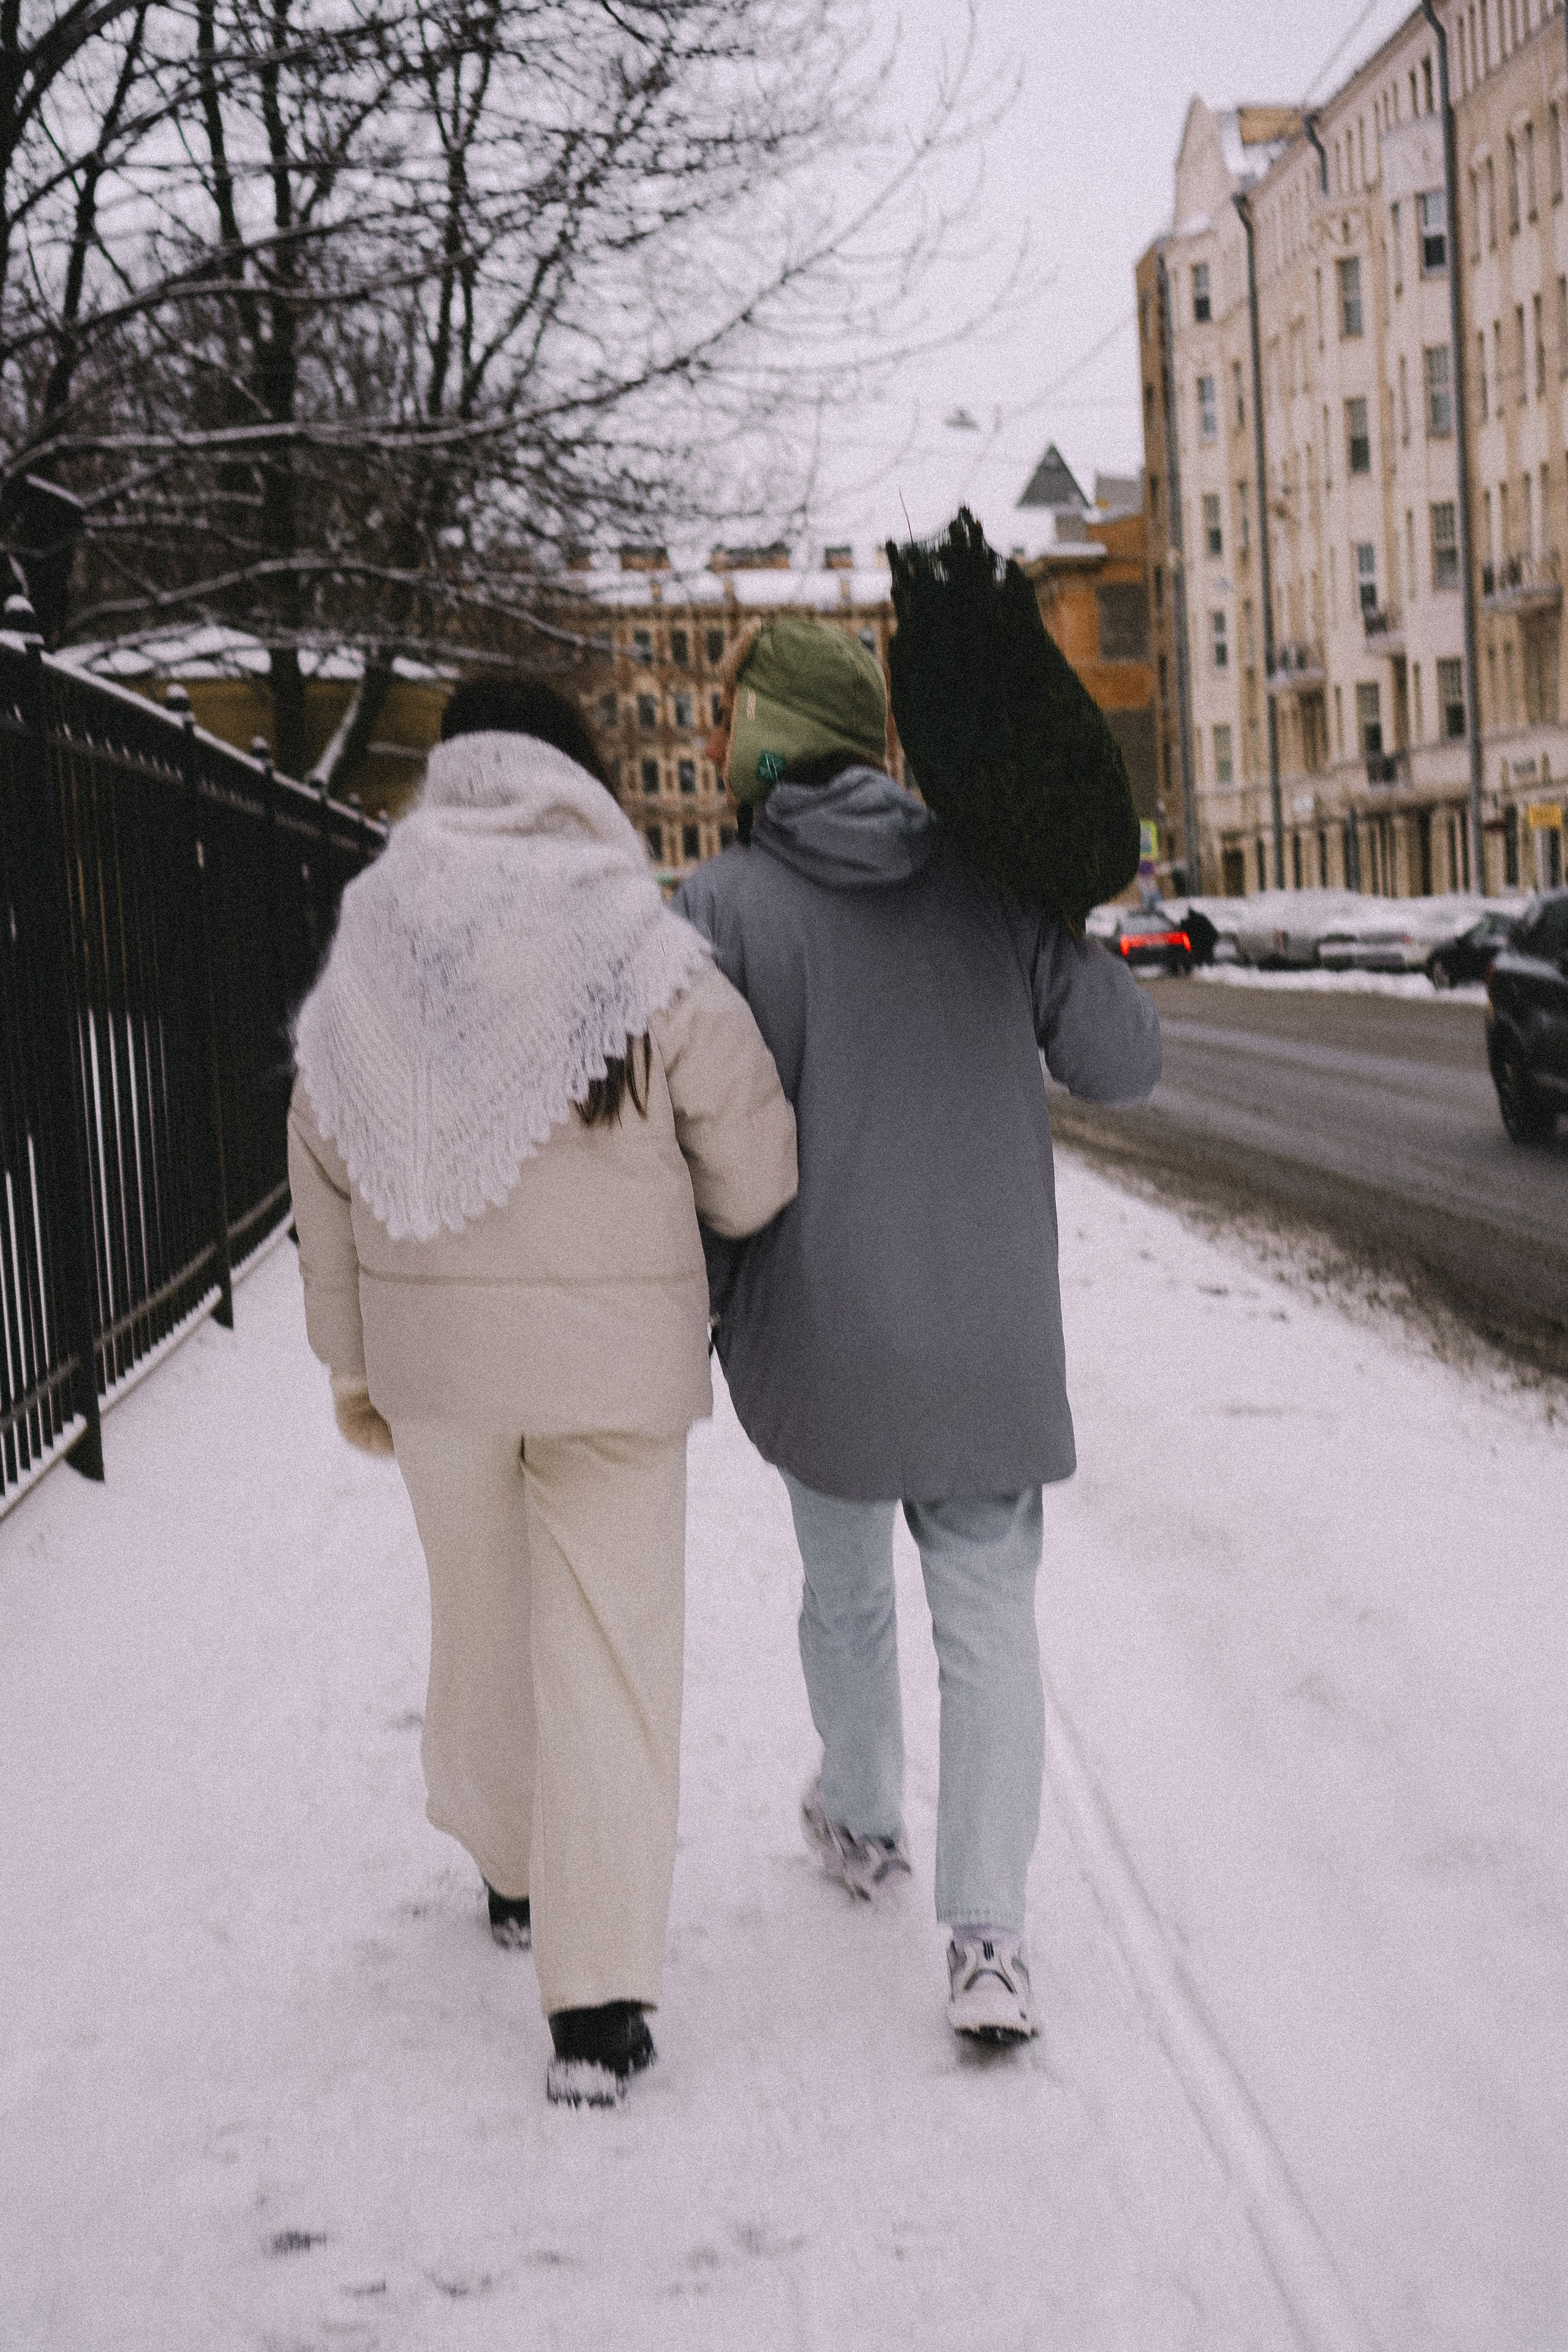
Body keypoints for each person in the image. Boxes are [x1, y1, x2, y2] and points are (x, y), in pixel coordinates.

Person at [287, 676, 797, 2106]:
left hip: (437, 1368)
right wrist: (705, 1207)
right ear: (576, 777)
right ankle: (597, 2006)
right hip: (615, 1373)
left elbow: (321, 1150)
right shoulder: (641, 941)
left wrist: (350, 1352)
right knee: (611, 1660)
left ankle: (512, 1875)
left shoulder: (378, 933)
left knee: (483, 1620)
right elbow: (751, 1166)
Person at [675, 616, 1161, 2046]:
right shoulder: (993, 877)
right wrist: (1051, 917)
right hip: (988, 1338)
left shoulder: (715, 907)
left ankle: (865, 1817)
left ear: (761, 733)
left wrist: (696, 1306)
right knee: (989, 1620)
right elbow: (1124, 1062)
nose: (707, 741)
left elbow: (686, 1136)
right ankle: (990, 1941)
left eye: (721, 714)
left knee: (843, 1594)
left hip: (816, 1334)